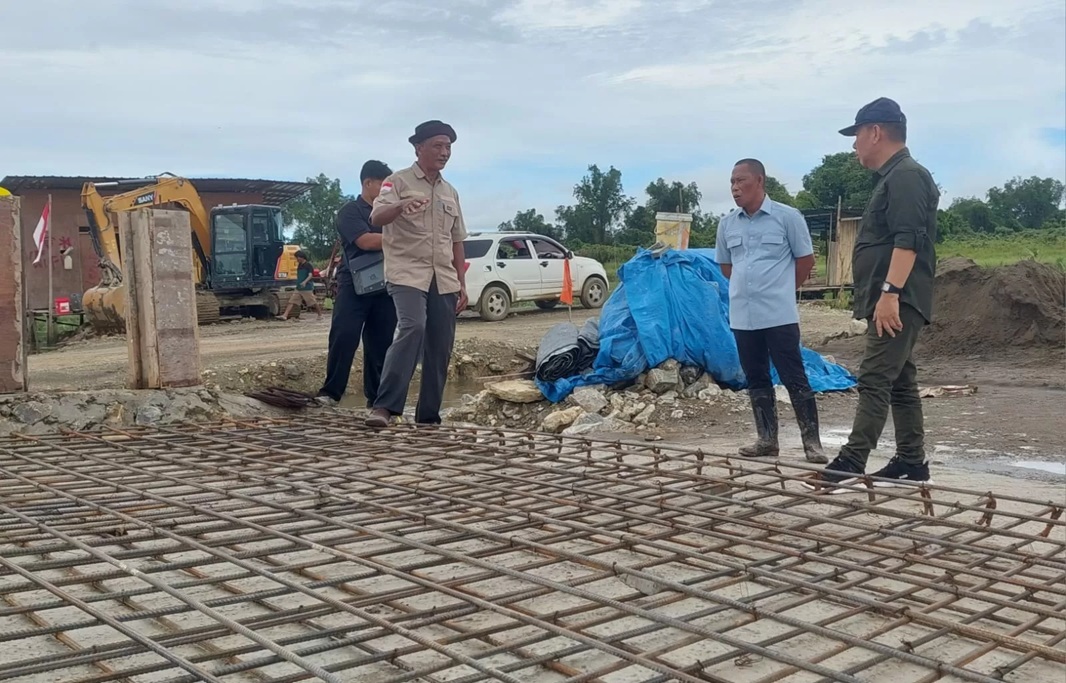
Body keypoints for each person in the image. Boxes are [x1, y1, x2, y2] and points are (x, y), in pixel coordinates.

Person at [807, 97, 939, 491]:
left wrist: (890, 293)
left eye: (857, 135)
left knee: (875, 377)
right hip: (893, 296)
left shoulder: (907, 176)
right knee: (900, 380)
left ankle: (852, 459)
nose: (854, 145)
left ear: (876, 132)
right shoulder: (893, 177)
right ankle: (912, 461)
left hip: (898, 297)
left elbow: (909, 240)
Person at [716, 159, 827, 464]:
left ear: (760, 181)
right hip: (743, 315)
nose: (735, 188)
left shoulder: (787, 217)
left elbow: (805, 261)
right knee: (755, 377)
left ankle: (812, 443)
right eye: (732, 182)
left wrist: (780, 290)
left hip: (779, 314)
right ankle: (766, 440)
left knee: (794, 376)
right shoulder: (727, 224)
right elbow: (726, 267)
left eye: (741, 181)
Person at [365, 120, 468, 428]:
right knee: (413, 326)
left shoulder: (450, 192)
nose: (445, 152)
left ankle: (428, 418)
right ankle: (384, 407)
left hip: (444, 278)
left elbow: (457, 240)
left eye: (448, 147)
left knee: (440, 344)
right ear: (418, 148)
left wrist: (461, 283)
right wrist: (401, 205)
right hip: (406, 273)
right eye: (438, 145)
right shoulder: (396, 182)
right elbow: (376, 217)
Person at [316, 160, 398, 406]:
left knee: (381, 342)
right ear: (368, 183)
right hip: (353, 284)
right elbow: (365, 241)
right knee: (344, 335)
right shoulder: (350, 211)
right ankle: (330, 393)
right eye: (383, 185)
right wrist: (403, 239)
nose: (387, 191)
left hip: (386, 283)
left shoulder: (392, 214)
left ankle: (377, 400)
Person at [277, 250, 323, 320]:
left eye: (297, 257)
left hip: (306, 288)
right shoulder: (299, 265)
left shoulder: (308, 265)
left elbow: (310, 275)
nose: (297, 259)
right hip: (299, 287)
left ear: (302, 257)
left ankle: (320, 315)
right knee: (291, 301)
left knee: (313, 302)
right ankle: (285, 315)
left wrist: (304, 282)